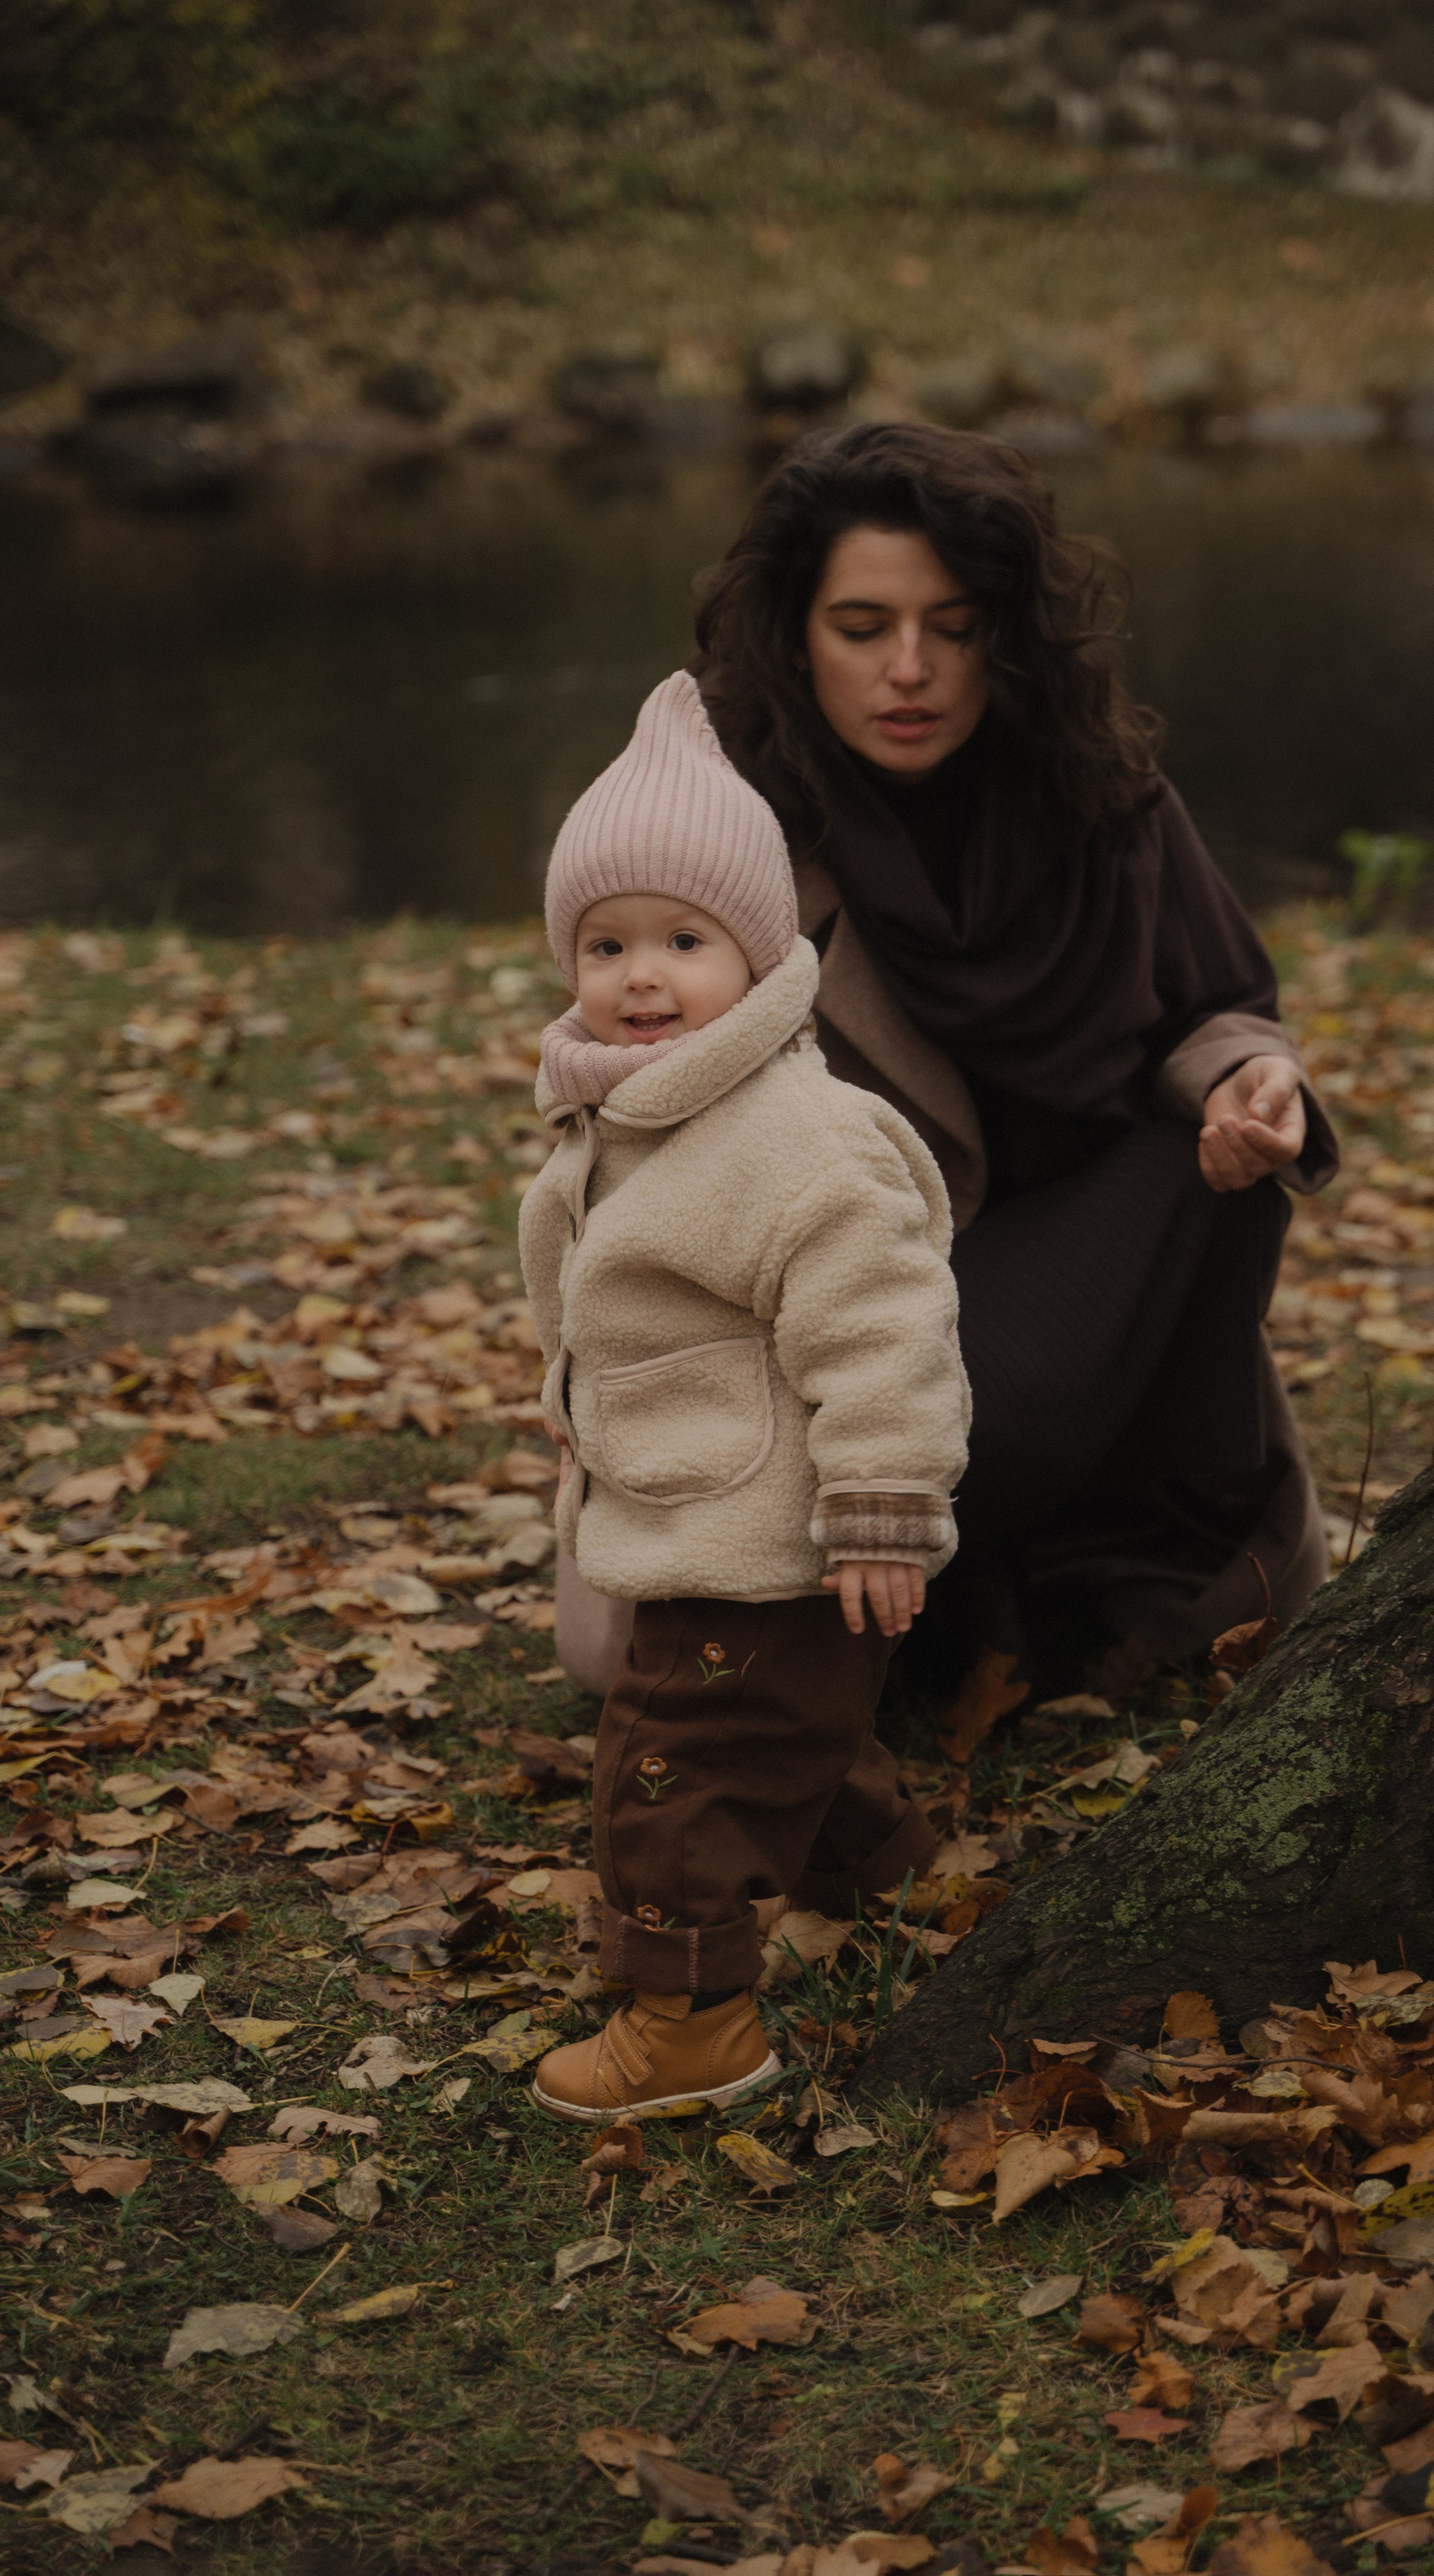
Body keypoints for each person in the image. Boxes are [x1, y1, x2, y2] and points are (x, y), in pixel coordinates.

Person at [554, 418, 1339, 1709]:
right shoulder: (726, 834)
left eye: (954, 625)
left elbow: (1219, 1008)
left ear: (1008, 637)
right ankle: (964, 1584)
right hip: (805, 1332)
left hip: (1066, 1297)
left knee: (1220, 1161)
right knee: (700, 1626)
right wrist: (591, 1372)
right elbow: (613, 1111)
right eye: (862, 627)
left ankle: (1107, 1558)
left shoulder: (1108, 799)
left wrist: (1248, 1085)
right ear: (794, 637)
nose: (908, 669)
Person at [519, 670, 971, 2121]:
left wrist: (884, 1504)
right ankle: (898, 1884)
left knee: (669, 1771)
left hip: (772, 1543)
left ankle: (689, 2019)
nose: (639, 974)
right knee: (789, 1737)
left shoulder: (789, 1136)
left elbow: (884, 1321)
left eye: (682, 939)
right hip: (699, 1511)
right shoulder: (640, 1113)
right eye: (605, 942)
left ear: (763, 952)